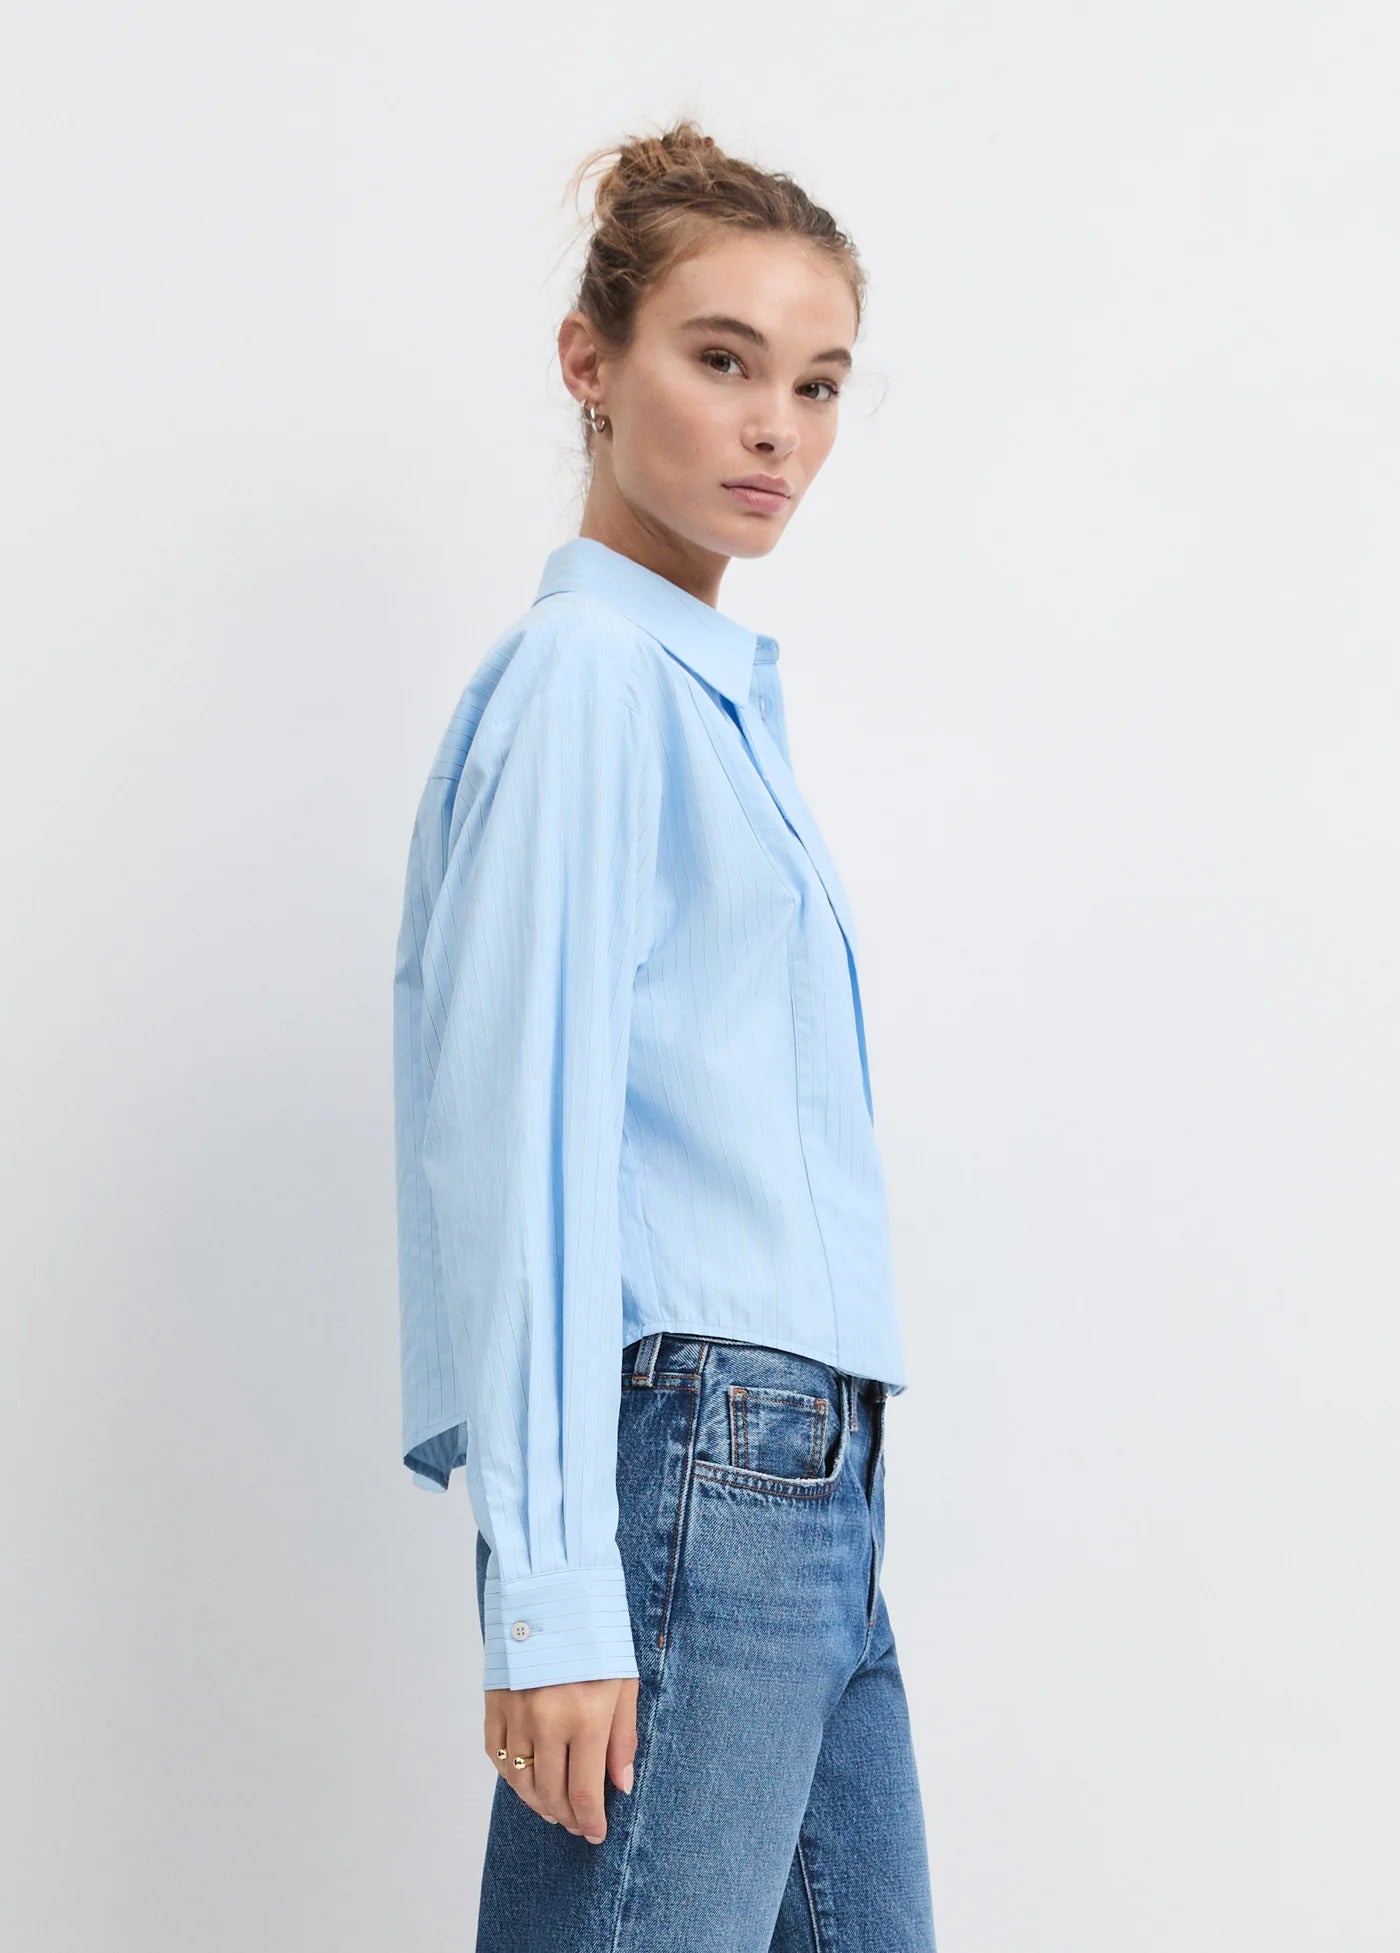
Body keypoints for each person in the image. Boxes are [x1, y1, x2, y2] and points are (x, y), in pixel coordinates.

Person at [392, 118, 938, 1951]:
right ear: (591, 365)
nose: (776, 424)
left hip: (804, 1486)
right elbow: (520, 1133)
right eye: (721, 361)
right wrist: (549, 1587)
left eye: (818, 381)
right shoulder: (594, 683)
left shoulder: (703, 698)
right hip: (702, 1457)